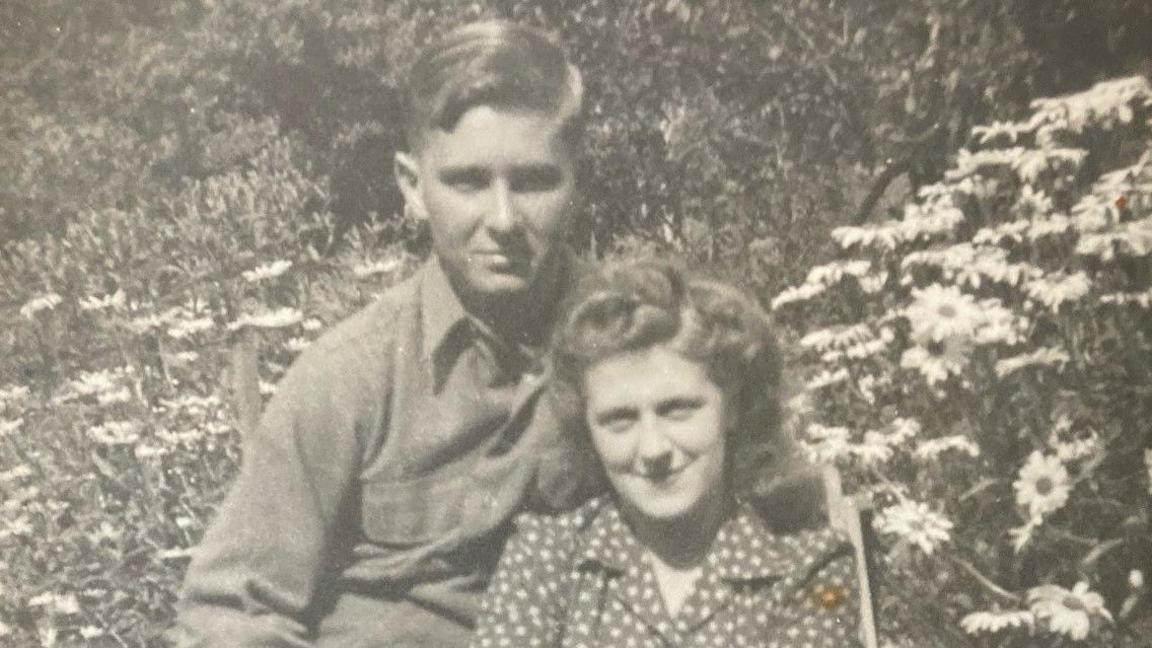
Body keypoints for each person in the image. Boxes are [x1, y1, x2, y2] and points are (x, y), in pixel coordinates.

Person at [175, 21, 590, 648]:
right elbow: (229, 611)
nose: (503, 219)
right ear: (412, 187)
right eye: (468, 182)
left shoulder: (643, 345)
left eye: (533, 181)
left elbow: (770, 532)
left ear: (575, 180)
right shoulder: (349, 376)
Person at [471, 259, 862, 647]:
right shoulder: (546, 555)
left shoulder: (809, 566)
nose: (653, 448)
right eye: (619, 419)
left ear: (733, 406)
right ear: (587, 430)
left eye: (678, 410)